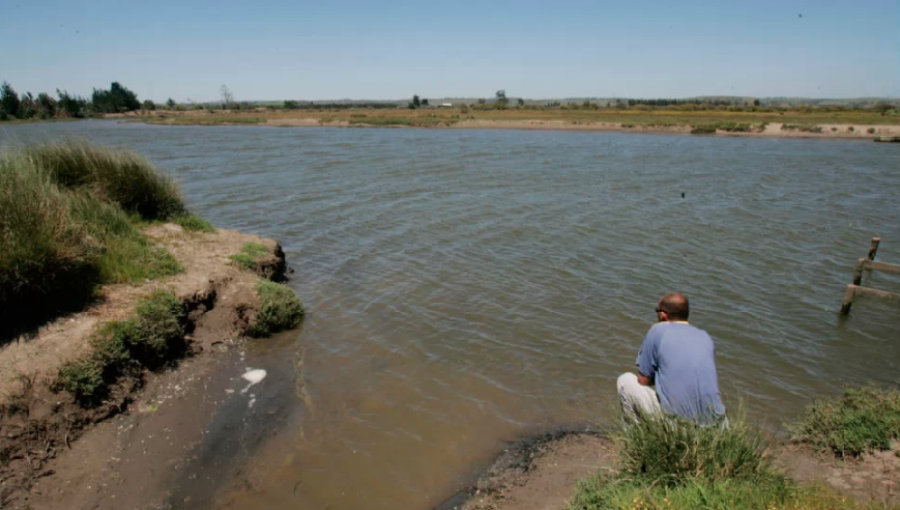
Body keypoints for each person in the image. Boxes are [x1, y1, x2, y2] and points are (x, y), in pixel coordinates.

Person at [617, 293, 725, 424]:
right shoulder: (705, 337)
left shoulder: (658, 330)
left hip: (678, 425)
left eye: (657, 311)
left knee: (625, 380)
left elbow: (643, 380)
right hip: (717, 424)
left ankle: (634, 438)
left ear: (663, 315)